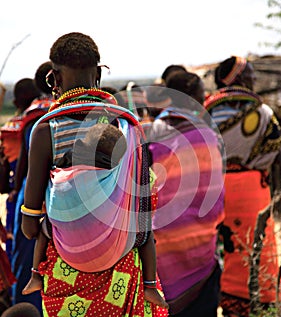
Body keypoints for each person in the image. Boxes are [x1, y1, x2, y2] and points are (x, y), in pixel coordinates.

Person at [21, 32, 168, 317]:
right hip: (123, 272)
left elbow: (28, 227)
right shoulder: (126, 124)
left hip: (67, 274)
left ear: (55, 79)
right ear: (98, 74)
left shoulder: (45, 130)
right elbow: (143, 211)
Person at [22, 122, 168, 309]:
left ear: (82, 147)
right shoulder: (121, 180)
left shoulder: (65, 171)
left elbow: (41, 212)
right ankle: (149, 286)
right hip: (117, 255)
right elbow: (147, 204)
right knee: (145, 234)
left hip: (69, 253)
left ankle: (35, 275)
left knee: (46, 228)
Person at [204, 55, 281, 317]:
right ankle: (257, 304)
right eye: (249, 73)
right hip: (252, 192)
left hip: (215, 192)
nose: (254, 78)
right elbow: (273, 150)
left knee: (222, 248)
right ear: (237, 78)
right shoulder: (262, 114)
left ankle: (222, 301)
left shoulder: (205, 114)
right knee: (255, 247)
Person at [147, 70, 225, 316]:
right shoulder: (209, 135)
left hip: (162, 240)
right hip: (201, 240)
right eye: (201, 96)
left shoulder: (153, 130)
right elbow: (216, 191)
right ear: (193, 99)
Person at [9, 62, 54, 313]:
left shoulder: (32, 118)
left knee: (26, 259)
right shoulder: (64, 111)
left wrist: (18, 194)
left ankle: (25, 310)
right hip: (61, 193)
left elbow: (25, 166)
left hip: (32, 195)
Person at [0, 78, 41, 262]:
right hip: (38, 192)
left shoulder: (10, 129)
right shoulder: (44, 119)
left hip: (20, 191)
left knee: (15, 242)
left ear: (15, 102)